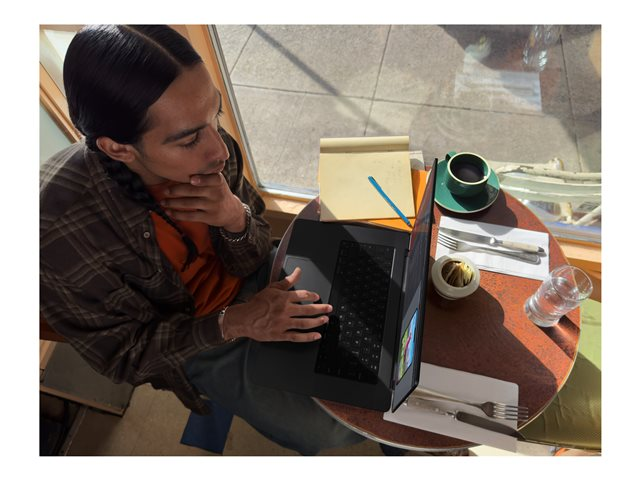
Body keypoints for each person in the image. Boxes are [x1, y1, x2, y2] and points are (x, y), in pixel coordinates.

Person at [40, 24, 364, 455]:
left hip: (253, 282)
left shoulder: (208, 148)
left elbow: (254, 255)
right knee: (327, 430)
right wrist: (237, 322)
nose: (220, 151)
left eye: (215, 116)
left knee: (367, 340)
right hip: (193, 334)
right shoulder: (58, 234)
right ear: (118, 149)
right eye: (190, 138)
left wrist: (234, 218)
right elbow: (125, 357)